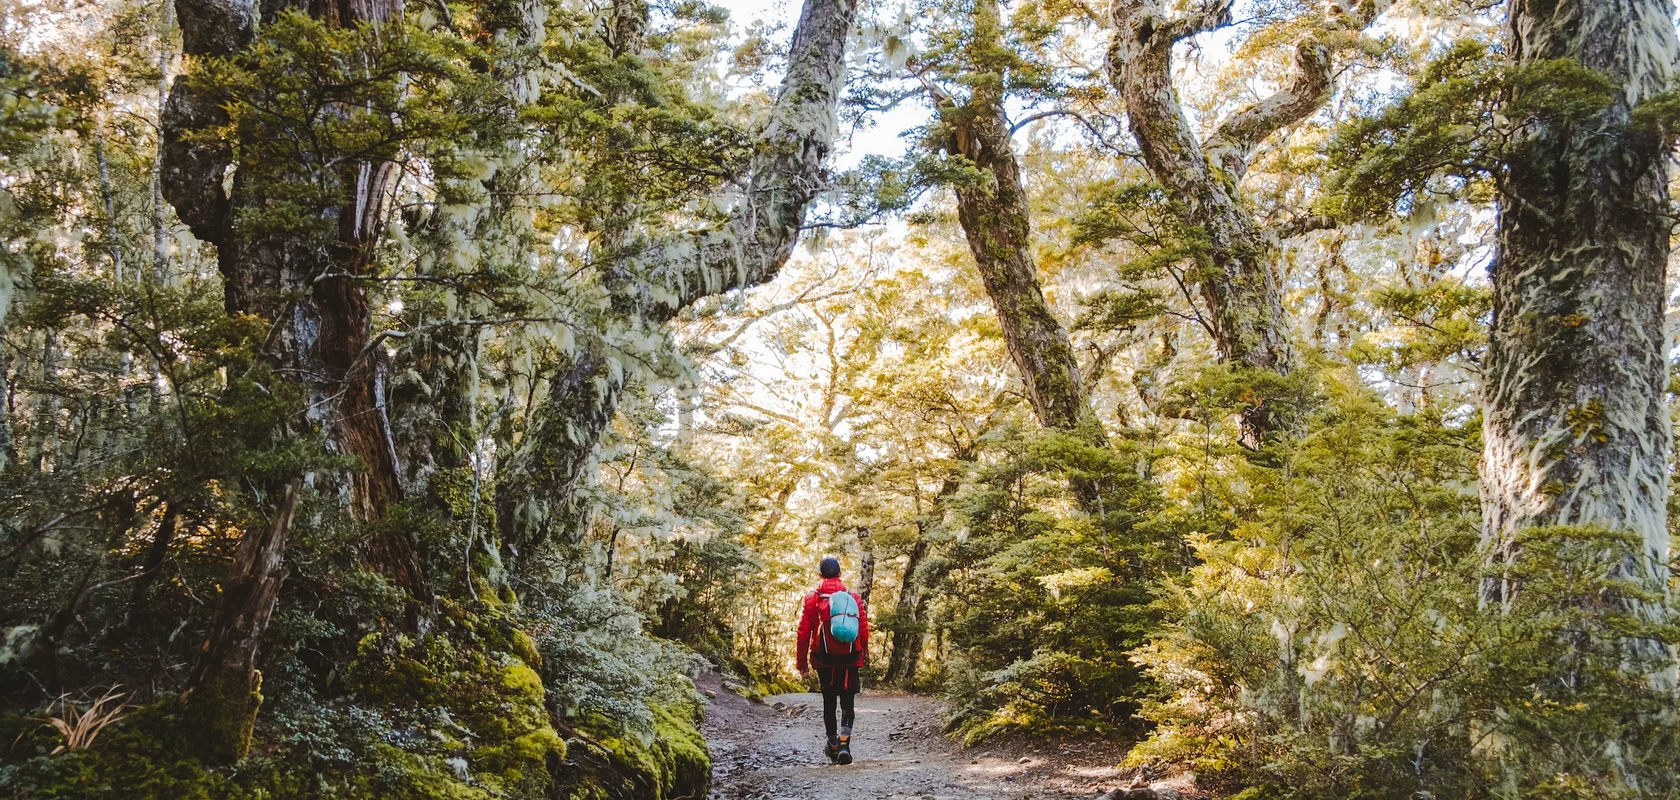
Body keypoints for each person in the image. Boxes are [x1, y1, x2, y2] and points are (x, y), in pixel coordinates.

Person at [796, 556, 869, 764]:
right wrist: (861, 652)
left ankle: (833, 745)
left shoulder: (812, 599)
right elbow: (863, 629)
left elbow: (803, 633)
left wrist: (802, 664)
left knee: (829, 702)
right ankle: (845, 743)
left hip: (824, 660)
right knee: (848, 701)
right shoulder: (852, 597)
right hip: (850, 658)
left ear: (820, 575)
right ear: (840, 574)